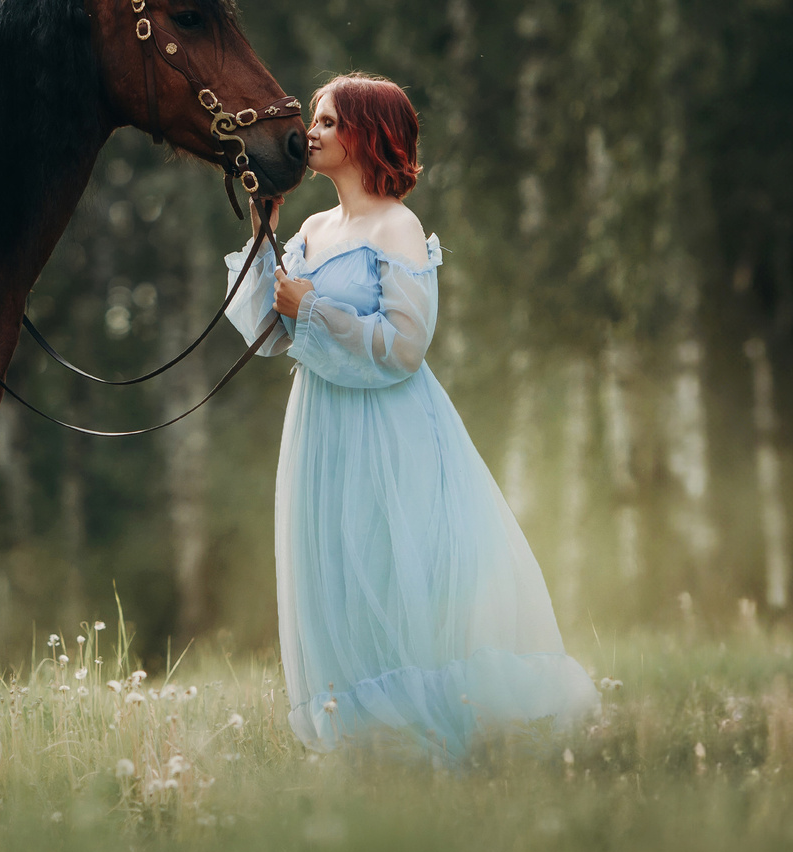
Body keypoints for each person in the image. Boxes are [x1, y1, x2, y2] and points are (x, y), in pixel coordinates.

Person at [227, 73, 598, 760]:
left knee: (395, 565)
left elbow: (405, 345)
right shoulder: (310, 228)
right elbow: (266, 334)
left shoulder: (398, 226)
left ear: (367, 134)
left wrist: (314, 306)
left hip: (389, 426)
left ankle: (438, 728)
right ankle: (369, 741)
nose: (313, 132)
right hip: (322, 426)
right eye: (315, 118)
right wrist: (263, 236)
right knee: (336, 566)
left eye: (330, 122)